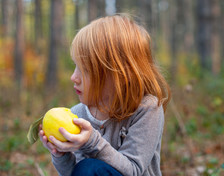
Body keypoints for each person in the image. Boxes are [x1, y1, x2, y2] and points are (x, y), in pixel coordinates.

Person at [39, 14, 171, 176]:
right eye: (75, 66)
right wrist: (61, 154)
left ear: (120, 75)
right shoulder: (77, 115)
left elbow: (134, 169)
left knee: (90, 168)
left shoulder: (147, 108)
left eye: (85, 69)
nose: (73, 77)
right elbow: (75, 173)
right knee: (86, 168)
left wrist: (91, 142)